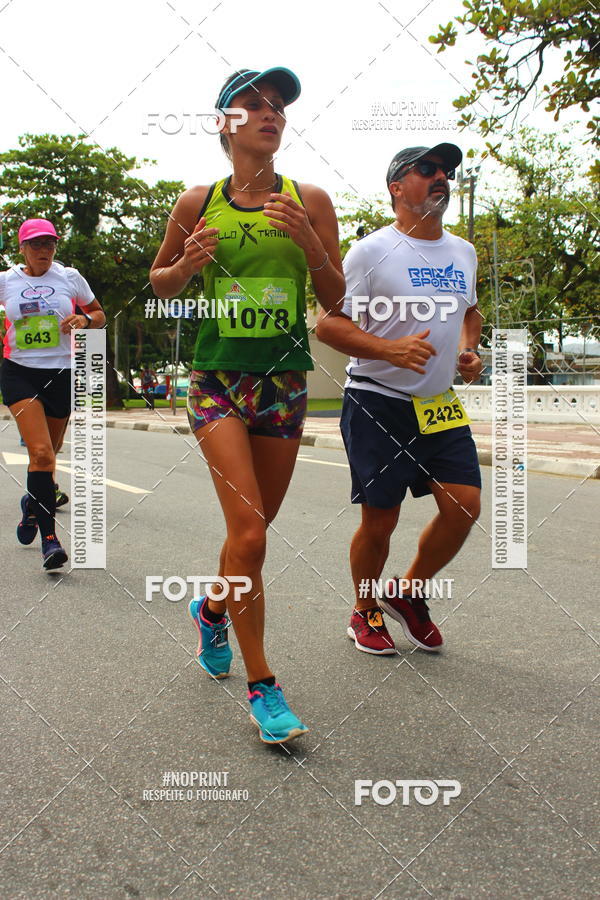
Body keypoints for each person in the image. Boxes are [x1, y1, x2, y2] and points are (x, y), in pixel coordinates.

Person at [150, 68, 344, 743]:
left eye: (279, 105)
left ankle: (209, 610)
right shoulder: (197, 201)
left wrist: (313, 244)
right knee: (253, 535)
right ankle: (264, 688)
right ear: (224, 124)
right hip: (217, 381)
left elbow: (337, 297)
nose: (271, 113)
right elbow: (163, 283)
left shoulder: (309, 199)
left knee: (246, 540)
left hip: (284, 383)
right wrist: (184, 266)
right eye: (253, 104)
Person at [316, 144, 483, 655]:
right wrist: (389, 348)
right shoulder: (372, 251)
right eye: (427, 170)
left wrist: (468, 349)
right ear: (396, 187)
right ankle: (364, 607)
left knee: (465, 506)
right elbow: (329, 324)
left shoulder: (463, 252)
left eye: (446, 172)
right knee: (381, 518)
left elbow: (470, 312)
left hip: (438, 404)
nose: (441, 178)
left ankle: (407, 592)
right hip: (377, 400)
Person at [0, 218, 105, 569]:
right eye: (36, 244)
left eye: (49, 244)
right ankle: (51, 539)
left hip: (61, 373)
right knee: (42, 454)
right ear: (22, 249)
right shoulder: (6, 281)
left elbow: (99, 314)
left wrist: (85, 322)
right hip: (20, 374)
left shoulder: (69, 277)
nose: (44, 250)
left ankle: (33, 503)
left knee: (51, 452)